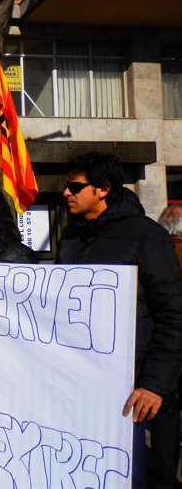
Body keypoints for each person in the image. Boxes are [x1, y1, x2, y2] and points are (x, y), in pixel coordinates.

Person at [57, 153, 182, 489]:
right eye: (65, 186)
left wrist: (155, 385)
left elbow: (173, 316)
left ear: (102, 189)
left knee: (146, 478)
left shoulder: (147, 236)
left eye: (75, 186)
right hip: (84, 390)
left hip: (140, 394)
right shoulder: (70, 238)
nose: (66, 193)